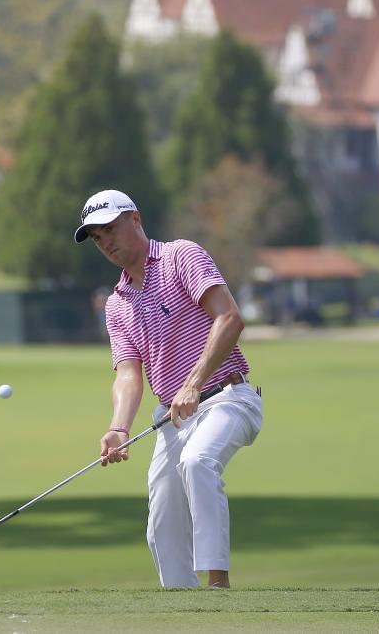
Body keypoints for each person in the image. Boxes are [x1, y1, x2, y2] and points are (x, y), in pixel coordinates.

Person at [74, 189, 263, 589]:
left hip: (229, 398)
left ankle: (217, 585)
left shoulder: (181, 256)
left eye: (110, 228)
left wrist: (193, 383)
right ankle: (182, 607)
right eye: (96, 237)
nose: (105, 241)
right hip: (175, 418)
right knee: (162, 514)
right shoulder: (117, 304)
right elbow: (128, 373)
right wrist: (119, 428)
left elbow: (229, 318)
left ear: (135, 220)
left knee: (198, 462)